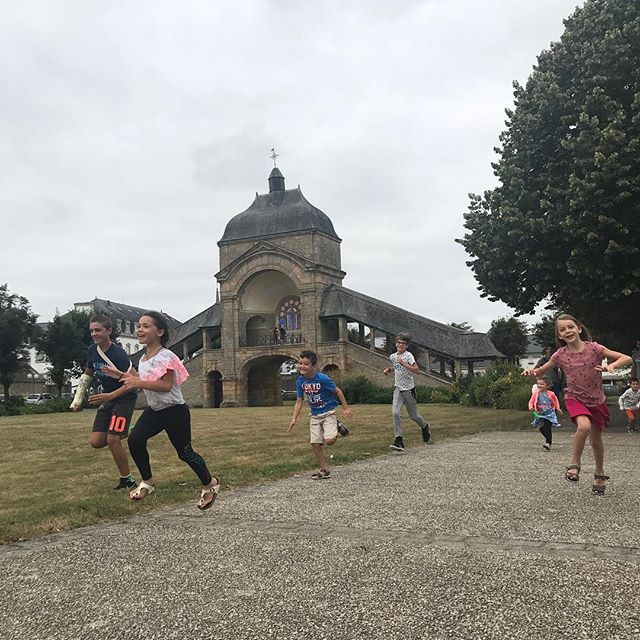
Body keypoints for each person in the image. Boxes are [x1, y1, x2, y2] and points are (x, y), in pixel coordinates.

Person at [105, 311, 220, 510]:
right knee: (135, 440)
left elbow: (165, 385)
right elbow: (145, 381)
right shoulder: (143, 358)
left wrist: (136, 381)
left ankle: (210, 483)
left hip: (175, 411)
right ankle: (148, 483)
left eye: (145, 326)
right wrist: (123, 375)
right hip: (155, 411)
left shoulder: (167, 356)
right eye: (139, 326)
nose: (139, 329)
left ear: (159, 332)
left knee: (185, 453)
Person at [524, 313, 631, 495]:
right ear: (559, 335)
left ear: (579, 329)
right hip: (574, 397)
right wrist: (532, 371)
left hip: (596, 399)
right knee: (583, 426)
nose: (567, 331)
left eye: (570, 327)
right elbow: (542, 369)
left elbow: (625, 358)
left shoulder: (595, 349)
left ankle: (599, 473)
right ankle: (575, 464)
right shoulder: (560, 355)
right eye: (562, 330)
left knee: (596, 440)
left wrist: (611, 366)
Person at [70, 313, 137, 491]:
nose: (94, 334)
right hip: (108, 398)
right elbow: (87, 374)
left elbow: (135, 381)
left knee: (113, 439)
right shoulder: (92, 351)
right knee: (97, 441)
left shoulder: (118, 354)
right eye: (92, 331)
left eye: (98, 330)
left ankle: (127, 480)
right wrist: (78, 399)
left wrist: (111, 395)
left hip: (124, 398)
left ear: (109, 331)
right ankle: (129, 429)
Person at [287, 350, 351, 479]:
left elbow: (338, 391)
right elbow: (299, 401)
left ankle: (337, 425)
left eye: (306, 364)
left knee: (329, 441)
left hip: (328, 413)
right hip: (314, 415)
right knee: (315, 443)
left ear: (313, 366)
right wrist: (294, 418)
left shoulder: (322, 379)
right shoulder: (300, 381)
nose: (302, 366)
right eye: (300, 363)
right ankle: (324, 469)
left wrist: (345, 408)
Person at [383, 333, 431, 451]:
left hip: (409, 389)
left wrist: (403, 363)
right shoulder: (393, 356)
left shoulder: (408, 356)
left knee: (413, 416)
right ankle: (399, 440)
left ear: (407, 345)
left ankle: (425, 427)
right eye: (399, 342)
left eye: (403, 343)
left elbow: (416, 370)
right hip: (398, 388)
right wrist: (390, 369)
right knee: (395, 413)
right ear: (396, 343)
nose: (400, 344)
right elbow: (397, 368)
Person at [528, 376, 562, 450]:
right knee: (542, 429)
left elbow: (556, 401)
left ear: (547, 385)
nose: (539, 385)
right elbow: (531, 401)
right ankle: (548, 438)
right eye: (538, 384)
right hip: (540, 414)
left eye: (541, 384)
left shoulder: (551, 394)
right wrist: (531, 407)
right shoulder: (536, 393)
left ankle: (548, 443)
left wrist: (558, 408)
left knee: (547, 427)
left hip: (549, 413)